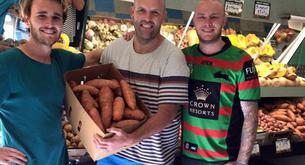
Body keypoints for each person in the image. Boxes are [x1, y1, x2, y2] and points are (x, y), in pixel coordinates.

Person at [0, 0, 98, 164]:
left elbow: (93, 57)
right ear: (26, 19)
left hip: (58, 158)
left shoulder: (60, 59)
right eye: (41, 15)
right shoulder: (7, 65)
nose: (50, 24)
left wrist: (129, 40)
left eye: (56, 17)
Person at [93, 0, 189, 164]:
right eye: (141, 11)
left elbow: (167, 113)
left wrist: (129, 139)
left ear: (164, 16)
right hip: (108, 153)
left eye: (155, 12)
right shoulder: (115, 48)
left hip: (149, 161)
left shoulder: (173, 58)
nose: (147, 18)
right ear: (132, 12)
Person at [180, 0, 260, 165]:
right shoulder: (183, 57)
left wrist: (242, 162)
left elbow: (251, 116)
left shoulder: (243, 62)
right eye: (202, 17)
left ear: (224, 20)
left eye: (214, 17)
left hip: (223, 160)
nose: (207, 23)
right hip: (187, 156)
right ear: (194, 20)